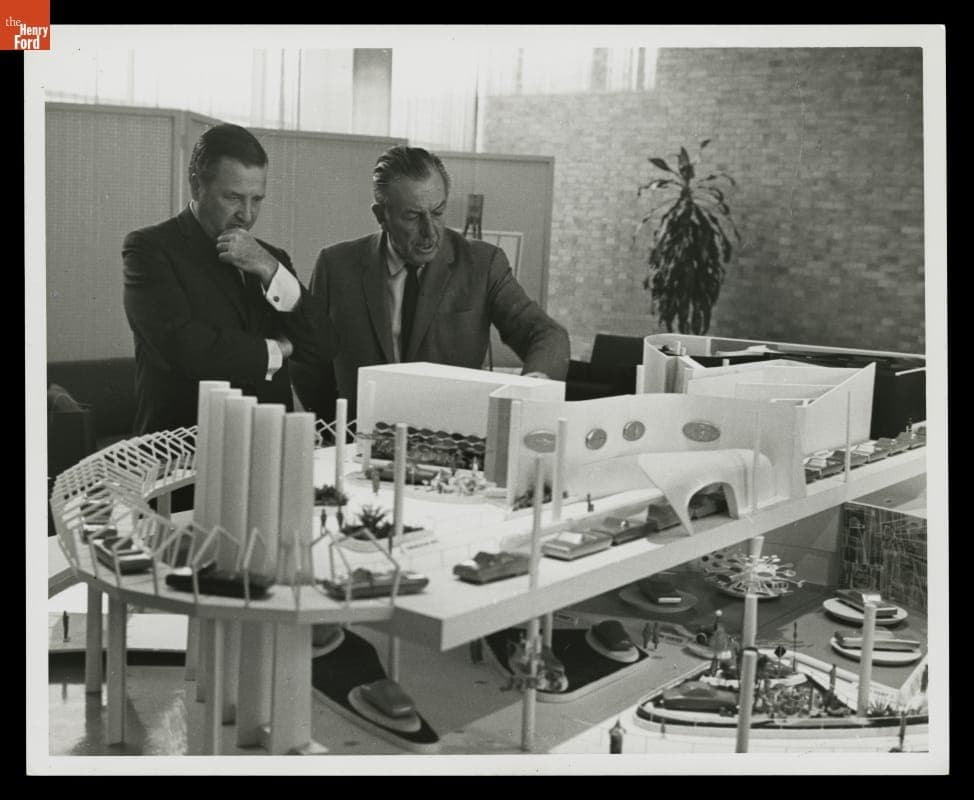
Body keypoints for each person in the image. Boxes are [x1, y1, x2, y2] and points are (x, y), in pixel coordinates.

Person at [308, 145, 570, 419]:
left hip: (452, 436)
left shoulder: (482, 265)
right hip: (358, 437)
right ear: (381, 216)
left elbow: (547, 334)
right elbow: (310, 362)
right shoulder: (336, 266)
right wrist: (335, 428)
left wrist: (533, 389)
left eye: (437, 212)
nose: (430, 232)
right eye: (412, 217)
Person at [123, 123, 335, 435]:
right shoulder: (149, 248)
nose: (247, 215)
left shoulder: (271, 258)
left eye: (257, 199)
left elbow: (322, 347)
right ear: (196, 186)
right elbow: (183, 347)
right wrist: (277, 351)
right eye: (233, 197)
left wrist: (271, 270)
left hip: (268, 443)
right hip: (184, 448)